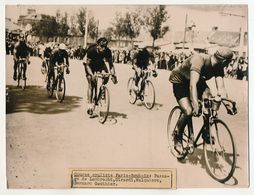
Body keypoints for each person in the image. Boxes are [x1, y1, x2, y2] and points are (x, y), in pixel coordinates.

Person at [169, 47, 234, 153]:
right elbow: (192, 86)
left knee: (209, 102)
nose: (228, 65)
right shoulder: (199, 60)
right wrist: (195, 104)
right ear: (224, 61)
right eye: (229, 63)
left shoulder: (218, 67)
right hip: (180, 81)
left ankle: (206, 132)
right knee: (188, 111)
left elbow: (221, 88)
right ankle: (177, 135)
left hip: (197, 81)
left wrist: (227, 104)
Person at [83, 37, 118, 115]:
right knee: (91, 83)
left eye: (105, 46)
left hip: (100, 63)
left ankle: (102, 89)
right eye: (102, 46)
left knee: (107, 75)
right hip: (90, 65)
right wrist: (92, 75)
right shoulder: (91, 50)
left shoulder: (107, 51)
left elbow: (111, 65)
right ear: (98, 45)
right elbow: (87, 65)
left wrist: (113, 75)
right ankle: (89, 104)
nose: (104, 48)